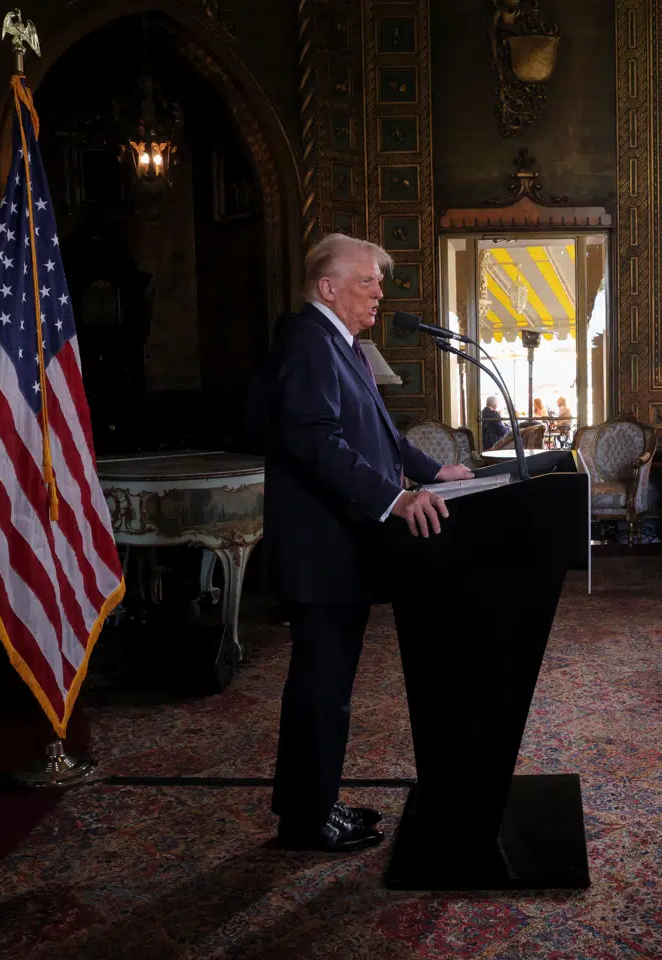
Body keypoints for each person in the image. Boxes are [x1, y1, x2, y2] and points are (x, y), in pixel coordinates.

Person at [252, 233, 474, 853]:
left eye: (379, 281)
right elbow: (317, 442)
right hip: (320, 554)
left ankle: (315, 803)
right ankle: (305, 820)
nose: (380, 292)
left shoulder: (342, 344)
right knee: (321, 689)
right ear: (328, 287)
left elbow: (380, 431)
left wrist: (434, 473)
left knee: (329, 687)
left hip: (341, 550)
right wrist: (395, 498)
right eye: (367, 281)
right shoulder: (308, 343)